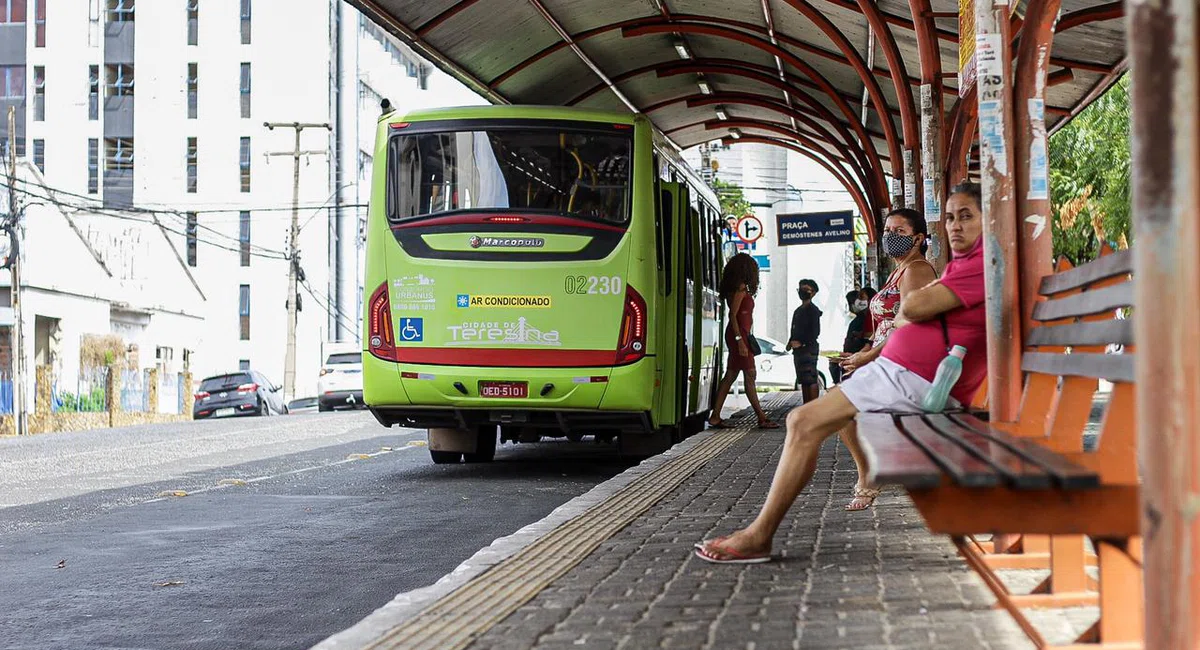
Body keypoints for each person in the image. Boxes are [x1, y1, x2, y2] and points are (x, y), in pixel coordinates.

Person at [695, 182, 988, 563]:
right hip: (903, 372)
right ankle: (762, 532)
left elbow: (914, 310)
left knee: (803, 421)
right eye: (950, 217)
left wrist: (905, 316)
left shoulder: (977, 264)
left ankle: (760, 535)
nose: (955, 226)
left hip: (918, 376)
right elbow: (913, 309)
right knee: (803, 421)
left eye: (966, 216)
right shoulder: (962, 265)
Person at [836, 208, 938, 511]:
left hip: (906, 363)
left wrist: (869, 356)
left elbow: (909, 325)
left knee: (839, 408)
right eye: (888, 230)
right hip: (887, 359)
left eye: (900, 232)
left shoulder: (917, 270)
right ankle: (872, 471)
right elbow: (887, 325)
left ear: (919, 238)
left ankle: (870, 475)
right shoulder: (900, 270)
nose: (890, 236)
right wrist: (863, 352)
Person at [708, 253, 780, 430]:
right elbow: (733, 315)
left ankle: (715, 416)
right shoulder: (740, 289)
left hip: (739, 334)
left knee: (730, 376)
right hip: (738, 335)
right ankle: (761, 417)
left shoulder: (735, 288)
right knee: (750, 374)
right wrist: (740, 339)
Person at [830, 287, 876, 386]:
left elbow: (872, 342)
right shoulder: (860, 319)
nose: (858, 302)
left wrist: (856, 356)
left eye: (861, 297)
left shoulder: (872, 319)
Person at [787, 279, 822, 404]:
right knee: (803, 380)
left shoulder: (813, 311)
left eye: (806, 289)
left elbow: (815, 332)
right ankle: (806, 406)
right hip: (798, 351)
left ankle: (812, 407)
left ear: (813, 293)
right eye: (801, 288)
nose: (803, 292)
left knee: (810, 378)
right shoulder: (798, 311)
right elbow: (793, 329)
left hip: (808, 349)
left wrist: (802, 343)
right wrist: (790, 343)